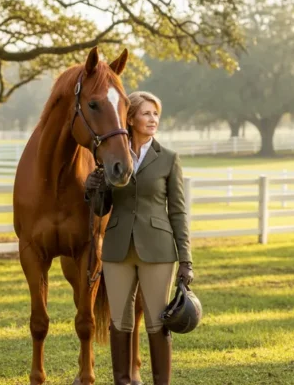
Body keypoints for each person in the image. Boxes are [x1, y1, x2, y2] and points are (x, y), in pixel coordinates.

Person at [85, 91, 194, 385]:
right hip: (117, 248)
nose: (153, 119)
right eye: (146, 113)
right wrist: (92, 188)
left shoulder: (169, 159)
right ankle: (122, 381)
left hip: (158, 251)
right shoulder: (111, 158)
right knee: (119, 322)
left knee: (158, 322)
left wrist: (186, 260)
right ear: (130, 118)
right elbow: (101, 208)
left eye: (156, 114)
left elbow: (179, 213)